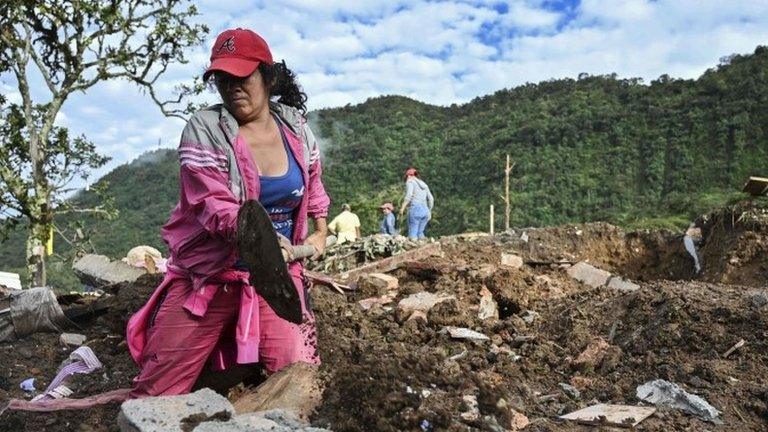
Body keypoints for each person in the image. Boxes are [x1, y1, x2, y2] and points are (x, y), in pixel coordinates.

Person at [125, 28, 330, 398]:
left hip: (276, 281)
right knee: (157, 393)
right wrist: (260, 240)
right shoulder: (204, 129)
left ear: (268, 77)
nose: (232, 86)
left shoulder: (296, 129)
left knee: (301, 380)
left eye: (242, 76)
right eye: (222, 78)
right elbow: (213, 205)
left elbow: (313, 187)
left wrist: (320, 228)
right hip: (211, 276)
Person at [398, 168, 434, 241]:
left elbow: (409, 195)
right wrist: (429, 210)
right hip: (425, 210)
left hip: (415, 209)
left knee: (413, 236)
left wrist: (402, 208)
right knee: (420, 234)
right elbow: (431, 199)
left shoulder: (410, 182)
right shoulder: (425, 185)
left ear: (408, 175)